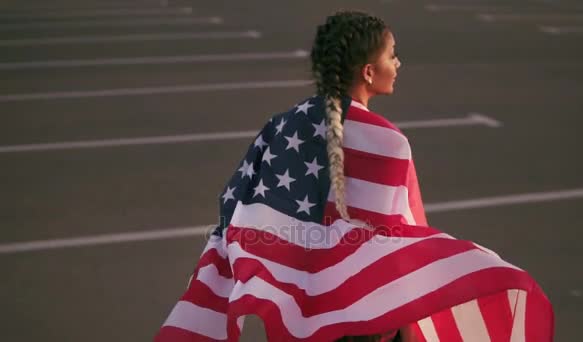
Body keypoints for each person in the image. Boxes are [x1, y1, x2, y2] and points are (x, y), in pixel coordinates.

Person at [154, 11, 553, 342]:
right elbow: (394, 244)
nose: (397, 65)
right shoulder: (387, 142)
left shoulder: (283, 125)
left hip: (302, 319)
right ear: (367, 71)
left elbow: (242, 203)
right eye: (392, 55)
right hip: (364, 326)